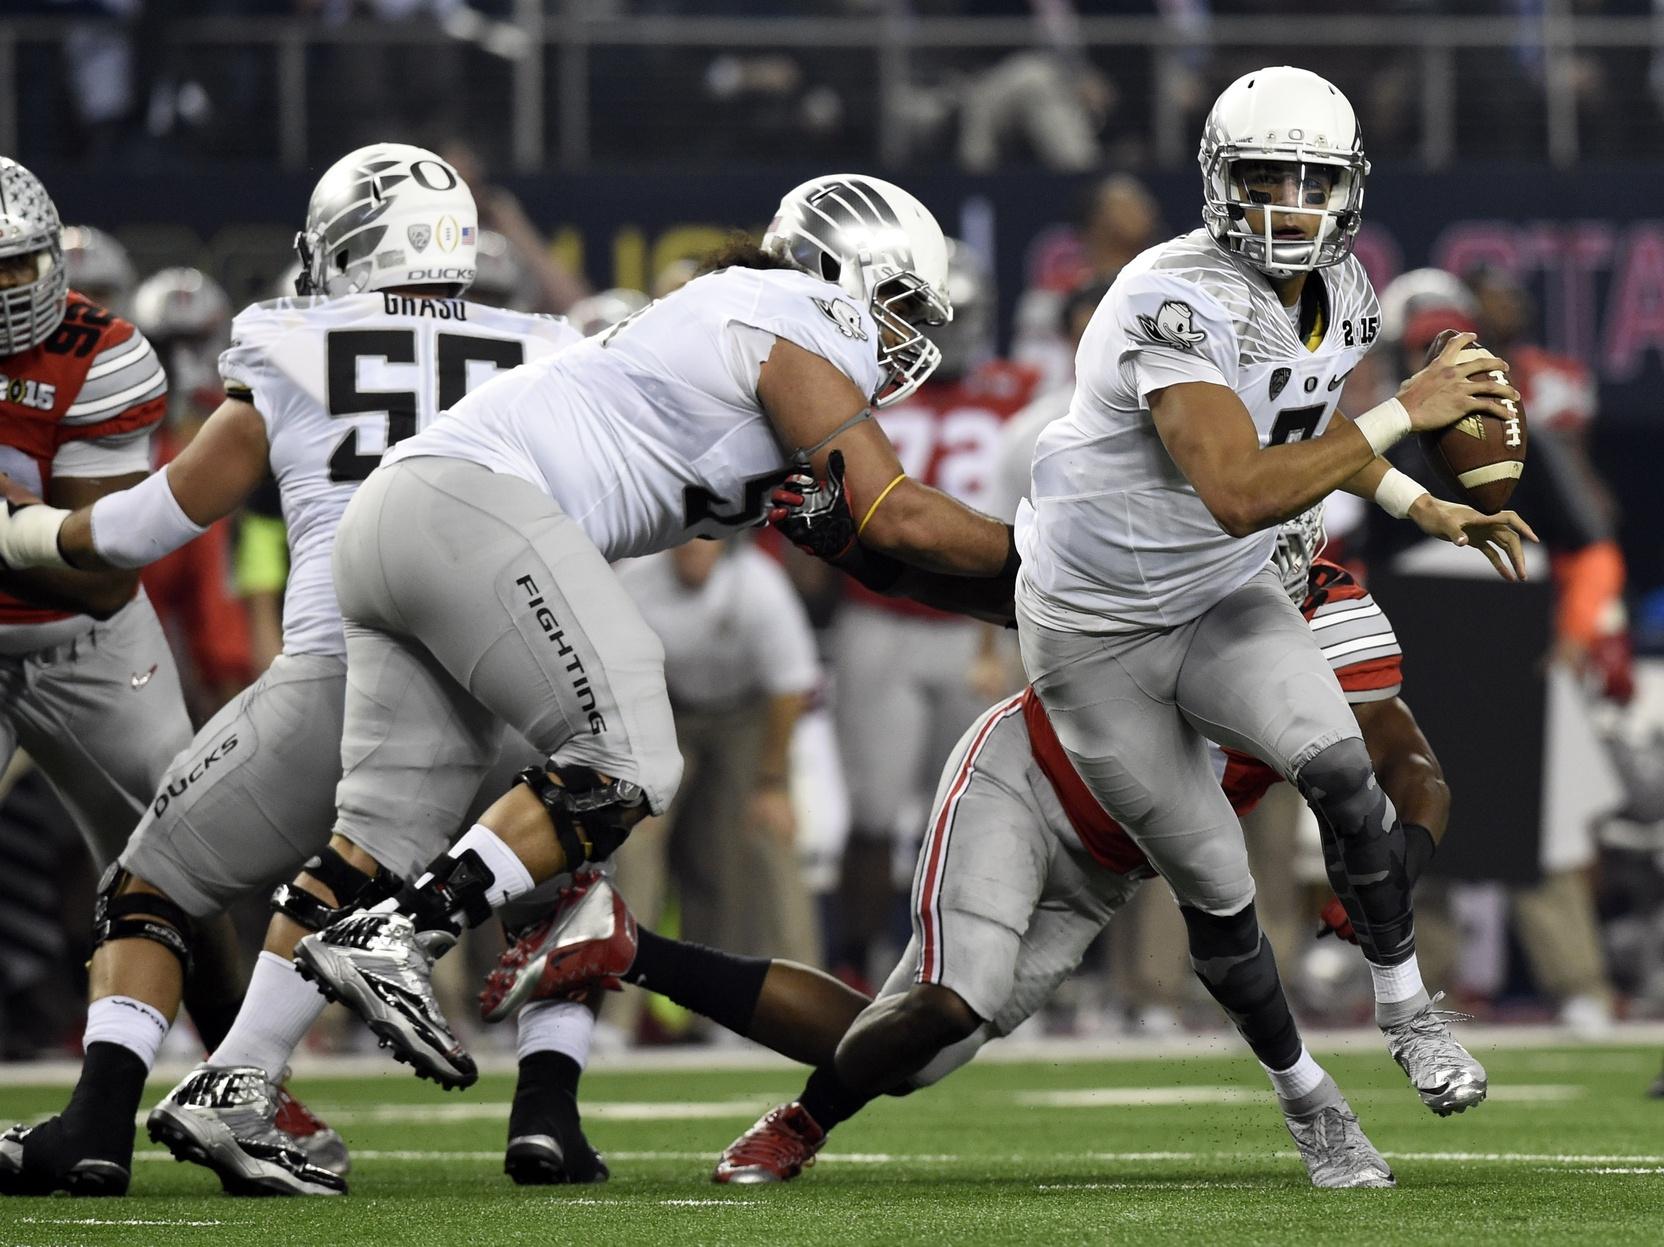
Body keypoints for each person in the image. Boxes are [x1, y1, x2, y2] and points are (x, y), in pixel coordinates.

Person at [191, 174, 1018, 1114]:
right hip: (471, 504)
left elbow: (877, 551)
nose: (913, 335)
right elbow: (897, 513)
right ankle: (407, 933)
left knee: (374, 837)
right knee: (628, 754)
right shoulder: (793, 309)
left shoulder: (749, 334)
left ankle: (233, 1079)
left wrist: (1028, 604)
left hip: (409, 517)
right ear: (839, 270)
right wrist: (1051, 560)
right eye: (902, 301)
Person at [488, 512, 1446, 1190]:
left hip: (1107, 871)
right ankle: (799, 1126)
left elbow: (1406, 760)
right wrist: (856, 540)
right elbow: (976, 573)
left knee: (899, 1047)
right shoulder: (1145, 569)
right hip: (1024, 784)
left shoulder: (1335, 627)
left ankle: (621, 943)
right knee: (955, 996)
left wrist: (1397, 857)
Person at [0, 143, 585, 1198]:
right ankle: (548, 1113)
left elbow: (155, 518)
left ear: (347, 246)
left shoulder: (294, 341)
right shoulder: (549, 349)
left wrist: (32, 535)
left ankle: (99, 1126)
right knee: (559, 887)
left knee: (151, 886)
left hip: (345, 671)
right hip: (512, 683)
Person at [1008, 66, 1536, 1115]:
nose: (1287, 201)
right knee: (1205, 874)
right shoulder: (1174, 292)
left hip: (1237, 582)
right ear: (1216, 178)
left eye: (1310, 179)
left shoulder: (1342, 293)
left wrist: (1417, 505)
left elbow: (1304, 439)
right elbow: (1238, 487)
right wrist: (1403, 416)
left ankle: (1403, 1005)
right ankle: (1296, 1087)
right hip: (1108, 609)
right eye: (1262, 175)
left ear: (1348, 187)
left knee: (1355, 773)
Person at [0, 158, 261, 1170]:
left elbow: (104, 576)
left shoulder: (105, 353)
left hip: (88, 645)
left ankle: (239, 1073)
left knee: (184, 858)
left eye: (14, 269)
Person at [828, 239, 1042, 986]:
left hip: (973, 624)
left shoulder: (1014, 395)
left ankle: (951, 965)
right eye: (916, 313)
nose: (936, 332)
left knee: (969, 809)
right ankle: (854, 962)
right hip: (878, 615)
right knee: (872, 810)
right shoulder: (858, 389)